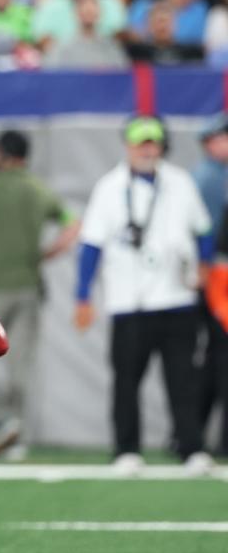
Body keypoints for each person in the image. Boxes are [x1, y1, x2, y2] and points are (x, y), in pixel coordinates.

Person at [75, 116, 214, 475]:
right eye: (141, 142)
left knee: (182, 379)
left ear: (162, 145)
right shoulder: (109, 187)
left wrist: (204, 265)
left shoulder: (181, 182)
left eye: (153, 142)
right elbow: (91, 245)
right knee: (126, 380)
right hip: (128, 300)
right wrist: (82, 297)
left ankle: (192, 448)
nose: (147, 149)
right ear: (128, 146)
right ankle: (126, 450)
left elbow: (204, 230)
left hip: (176, 296)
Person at [0, 130, 79, 458]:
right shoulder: (38, 190)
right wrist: (49, 252)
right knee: (20, 368)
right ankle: (13, 432)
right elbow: (72, 223)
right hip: (28, 290)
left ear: (2, 154)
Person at [193, 114, 228, 455]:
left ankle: (193, 433)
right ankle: (201, 436)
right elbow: (208, 237)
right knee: (219, 358)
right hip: (217, 279)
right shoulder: (209, 178)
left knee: (213, 359)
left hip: (217, 276)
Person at [44, 0, 129, 70]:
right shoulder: (62, 48)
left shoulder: (111, 48)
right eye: (83, 6)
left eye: (93, 5)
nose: (88, 10)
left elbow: (123, 73)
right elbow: (51, 75)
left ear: (99, 12)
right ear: (76, 12)